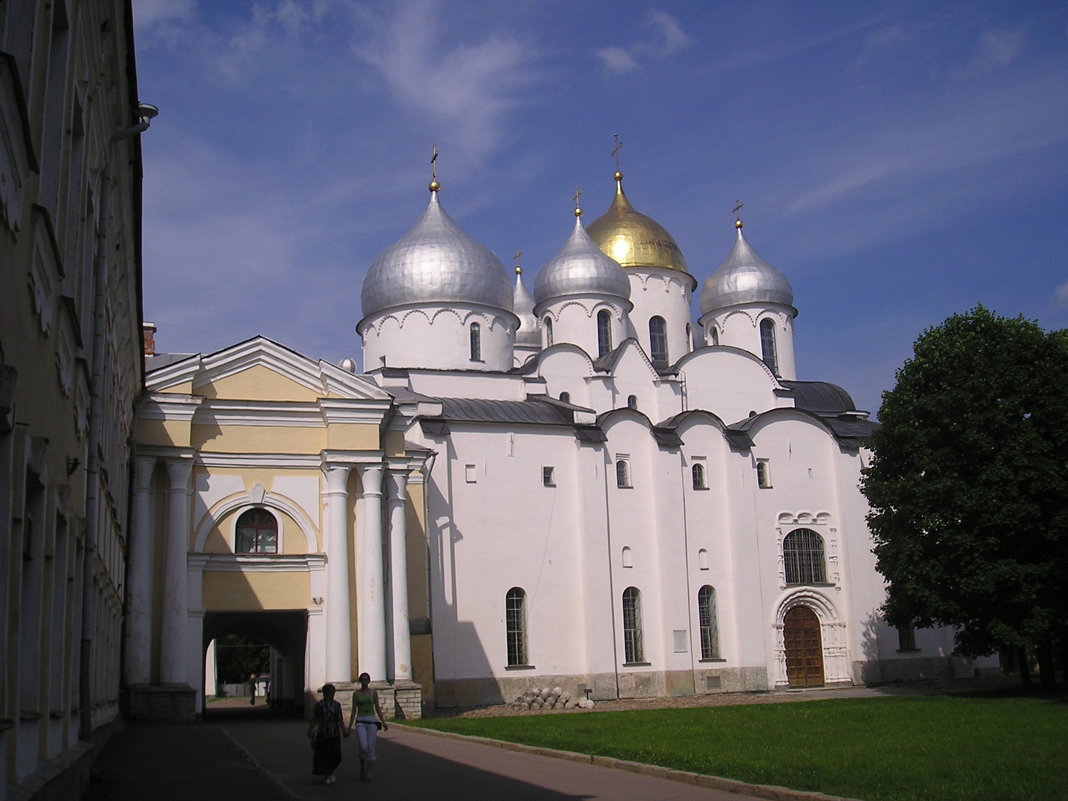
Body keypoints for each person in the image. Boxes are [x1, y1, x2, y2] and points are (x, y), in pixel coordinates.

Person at [347, 673, 388, 781]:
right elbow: (353, 711)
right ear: (360, 681)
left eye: (366, 680)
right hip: (360, 721)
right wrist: (349, 726)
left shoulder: (373, 693)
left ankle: (369, 771)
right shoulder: (356, 694)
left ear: (369, 681)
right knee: (363, 746)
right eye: (362, 680)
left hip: (371, 722)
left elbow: (377, 707)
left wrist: (383, 722)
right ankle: (362, 765)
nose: (364, 681)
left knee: (371, 746)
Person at [308, 684, 348, 784]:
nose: (331, 694)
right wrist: (310, 730)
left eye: (332, 692)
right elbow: (315, 719)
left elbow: (340, 719)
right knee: (325, 756)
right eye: (329, 692)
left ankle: (332, 771)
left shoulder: (336, 705)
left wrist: (344, 730)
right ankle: (327, 774)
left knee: (336, 755)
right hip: (323, 733)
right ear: (324, 693)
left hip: (334, 733)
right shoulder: (319, 705)